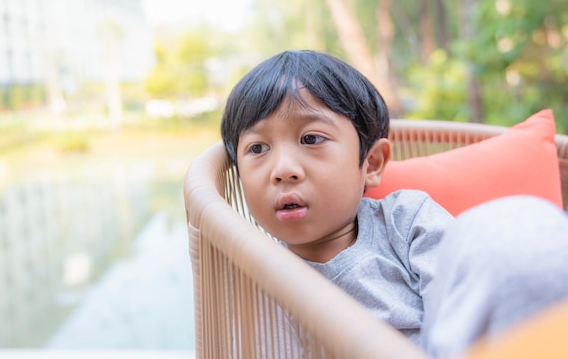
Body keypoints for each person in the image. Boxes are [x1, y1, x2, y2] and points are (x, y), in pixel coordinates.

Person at [220, 49, 568, 358]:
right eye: (258, 149)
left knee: (522, 222)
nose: (283, 170)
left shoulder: (405, 220)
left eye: (311, 139)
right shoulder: (257, 274)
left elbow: (460, 310)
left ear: (370, 164)